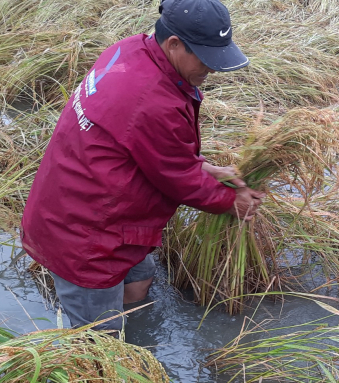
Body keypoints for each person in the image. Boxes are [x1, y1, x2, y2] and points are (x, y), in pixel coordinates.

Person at [21, 0, 264, 335]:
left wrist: (204, 167)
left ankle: (136, 338)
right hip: (84, 234)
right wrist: (231, 201)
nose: (212, 69)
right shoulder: (151, 100)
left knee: (140, 279)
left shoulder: (129, 51)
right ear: (174, 44)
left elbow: (141, 145)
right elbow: (178, 178)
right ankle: (107, 367)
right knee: (99, 341)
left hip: (99, 206)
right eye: (205, 58)